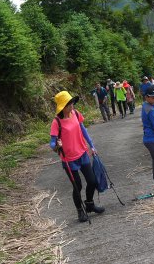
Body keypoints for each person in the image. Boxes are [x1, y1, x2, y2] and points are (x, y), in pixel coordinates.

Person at [50, 91, 106, 222]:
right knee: (77, 186)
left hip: (82, 153)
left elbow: (83, 130)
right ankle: (80, 211)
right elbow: (52, 142)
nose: (72, 106)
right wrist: (56, 145)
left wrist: (92, 145)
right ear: (62, 107)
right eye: (69, 104)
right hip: (69, 159)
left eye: (72, 103)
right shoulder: (57, 122)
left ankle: (90, 204)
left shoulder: (75, 113)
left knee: (92, 181)